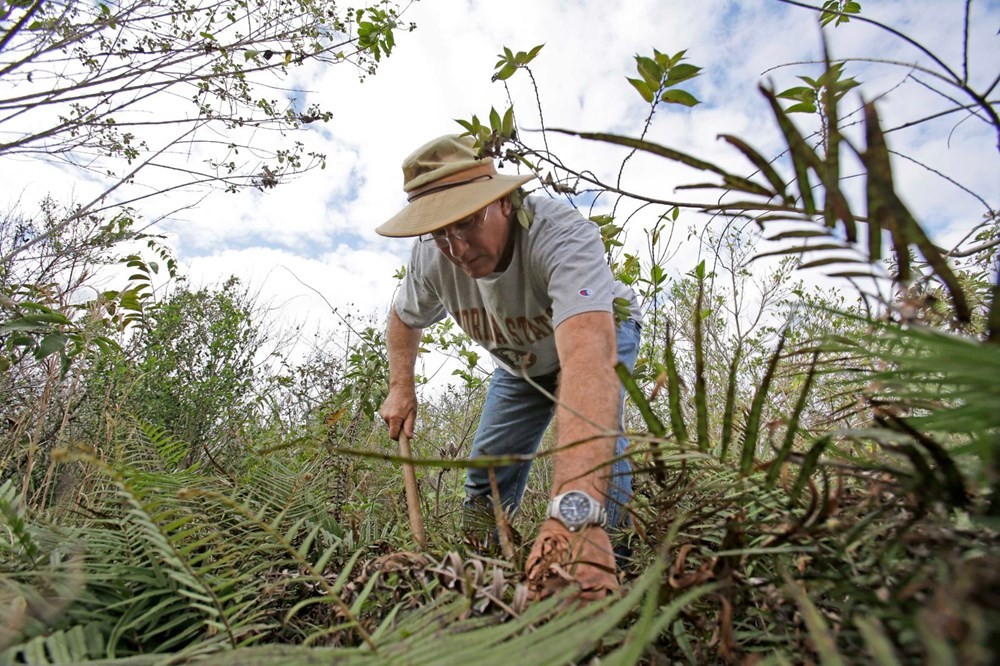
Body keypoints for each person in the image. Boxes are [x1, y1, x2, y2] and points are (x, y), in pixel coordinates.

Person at [376, 134, 641, 599]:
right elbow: (403, 316)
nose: (456, 247)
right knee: (486, 474)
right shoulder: (432, 259)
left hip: (599, 334)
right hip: (519, 361)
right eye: (440, 232)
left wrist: (570, 516)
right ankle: (479, 577)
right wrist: (401, 386)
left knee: (601, 448)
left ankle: (603, 565)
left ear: (503, 202)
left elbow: (585, 358)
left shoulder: (559, 234)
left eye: (468, 222)